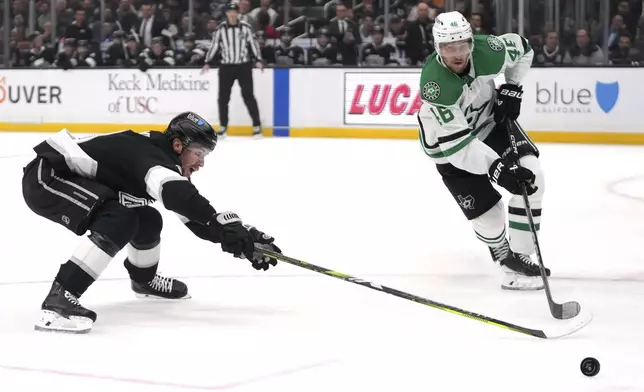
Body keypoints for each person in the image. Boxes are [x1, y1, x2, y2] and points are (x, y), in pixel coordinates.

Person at [22, 112, 281, 333]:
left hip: (76, 180)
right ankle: (59, 299)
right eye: (199, 153)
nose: (201, 163)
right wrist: (224, 224)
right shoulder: (152, 158)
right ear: (178, 145)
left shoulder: (164, 161)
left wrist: (246, 236)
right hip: (48, 177)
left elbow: (195, 218)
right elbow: (178, 195)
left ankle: (143, 280)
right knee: (119, 219)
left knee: (147, 218)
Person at [417, 11, 550, 291]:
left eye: (463, 45)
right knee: (490, 217)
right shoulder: (435, 86)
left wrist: (512, 87)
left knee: (532, 177)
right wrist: (497, 169)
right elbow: (459, 147)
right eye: (448, 47)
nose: (457, 54)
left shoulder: (489, 49)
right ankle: (504, 259)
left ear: (470, 42)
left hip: (489, 122)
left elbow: (524, 48)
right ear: (437, 47)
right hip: (448, 147)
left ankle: (522, 255)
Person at [202, 2, 264, 138]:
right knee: (223, 98)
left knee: (248, 96)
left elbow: (253, 45)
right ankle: (223, 126)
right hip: (226, 66)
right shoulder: (221, 29)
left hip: (243, 65)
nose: (232, 14)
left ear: (237, 13)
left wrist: (258, 60)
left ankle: (257, 126)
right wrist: (207, 62)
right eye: (230, 12)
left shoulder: (245, 28)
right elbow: (214, 46)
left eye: (234, 11)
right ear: (226, 13)